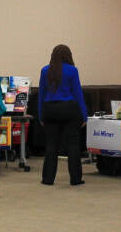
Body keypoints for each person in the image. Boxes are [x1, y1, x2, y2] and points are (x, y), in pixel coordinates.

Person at [39, 44, 87, 186]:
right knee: (73, 145)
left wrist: (41, 115)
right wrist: (84, 116)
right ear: (68, 55)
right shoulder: (72, 70)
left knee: (51, 145)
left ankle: (47, 179)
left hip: (50, 109)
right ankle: (75, 179)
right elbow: (78, 94)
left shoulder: (45, 70)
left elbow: (42, 94)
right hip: (69, 109)